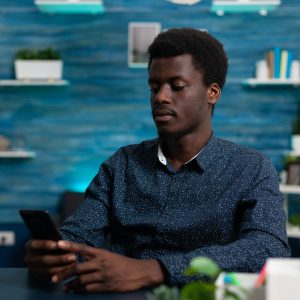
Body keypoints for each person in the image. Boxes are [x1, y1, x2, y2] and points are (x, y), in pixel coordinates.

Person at [25, 28, 290, 293]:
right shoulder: (122, 165)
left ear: (212, 93)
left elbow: (268, 248)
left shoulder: (251, 168)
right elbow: (79, 236)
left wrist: (156, 270)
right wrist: (55, 255)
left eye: (177, 86)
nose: (161, 97)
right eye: (154, 87)